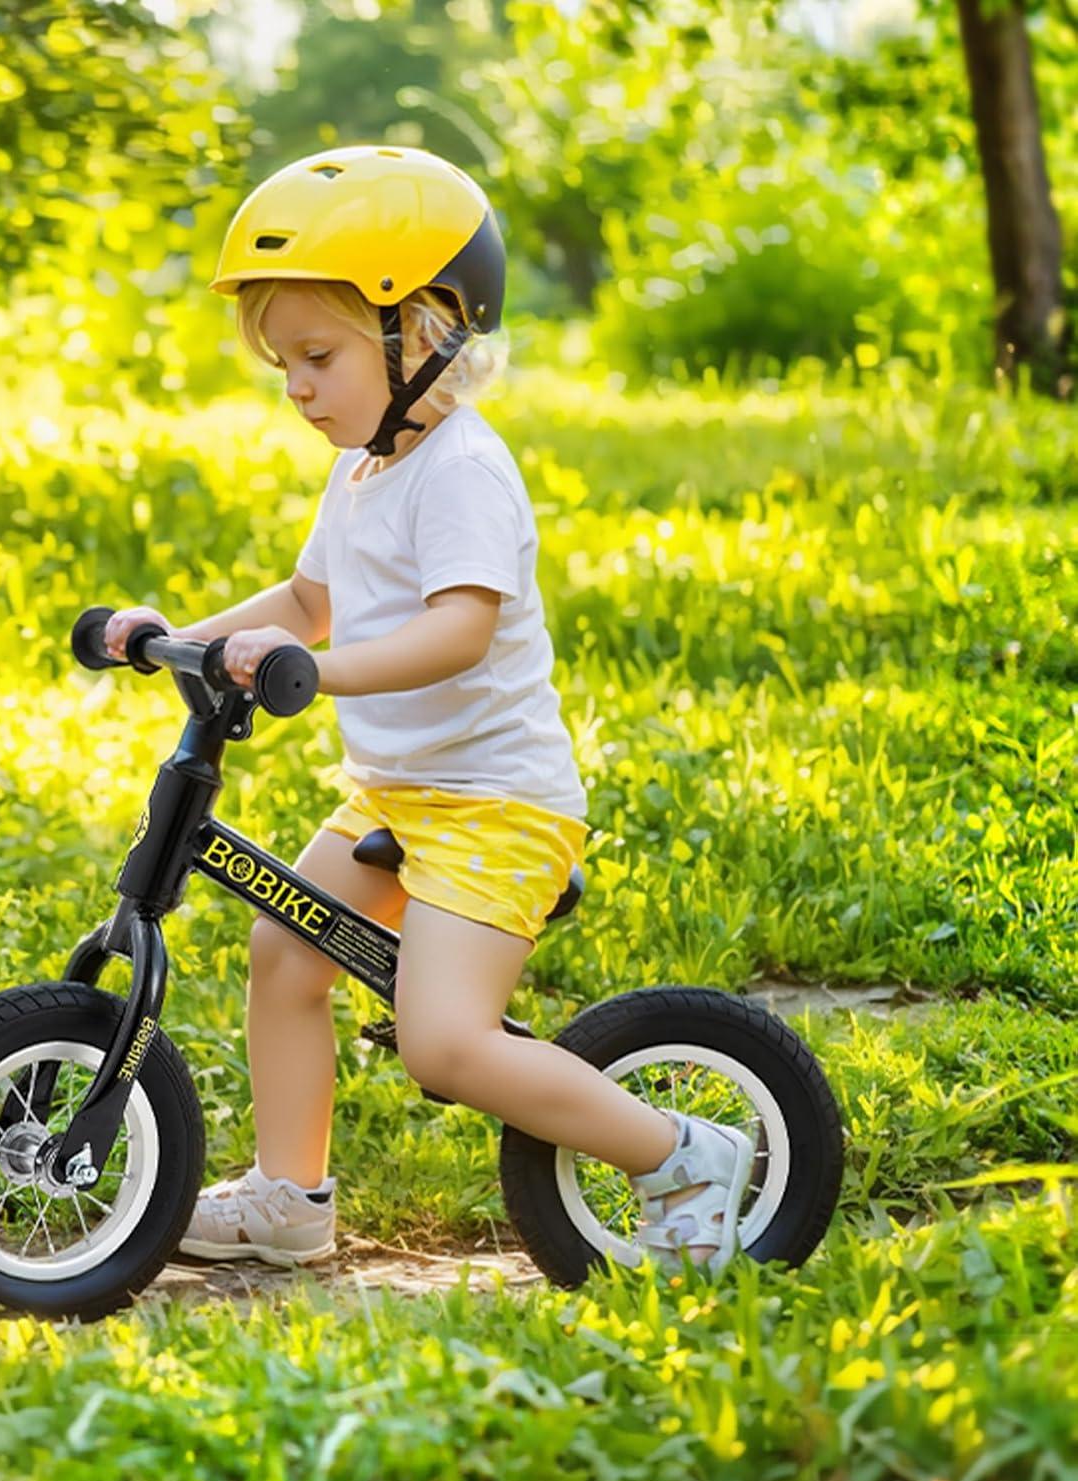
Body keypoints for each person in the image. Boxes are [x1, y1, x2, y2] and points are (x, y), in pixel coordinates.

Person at [104, 145, 753, 1276]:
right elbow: (311, 600)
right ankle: (290, 1199)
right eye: (281, 365)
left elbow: (459, 628)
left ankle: (685, 1154)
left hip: (500, 808)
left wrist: (320, 673)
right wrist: (185, 637)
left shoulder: (462, 468)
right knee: (284, 954)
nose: (297, 386)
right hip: (401, 794)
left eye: (317, 355)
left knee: (444, 1047)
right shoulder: (360, 469)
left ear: (428, 331)